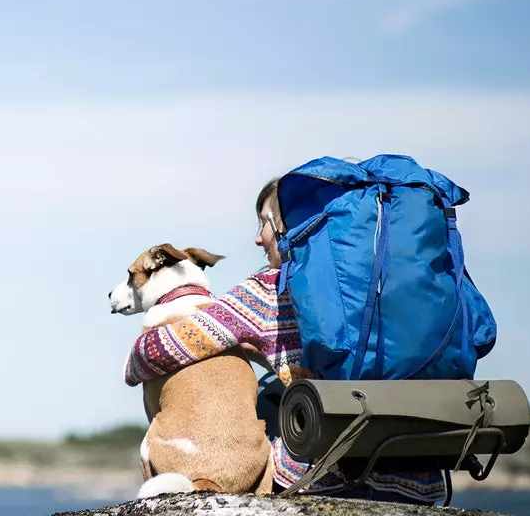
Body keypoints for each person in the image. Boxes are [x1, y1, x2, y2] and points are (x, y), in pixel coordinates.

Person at [122, 176, 447, 504]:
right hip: (420, 480)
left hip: (322, 479)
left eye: (264, 223)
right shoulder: (428, 287)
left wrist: (137, 359)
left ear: (290, 227)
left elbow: (159, 351)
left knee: (265, 400)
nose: (258, 239)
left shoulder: (267, 292)